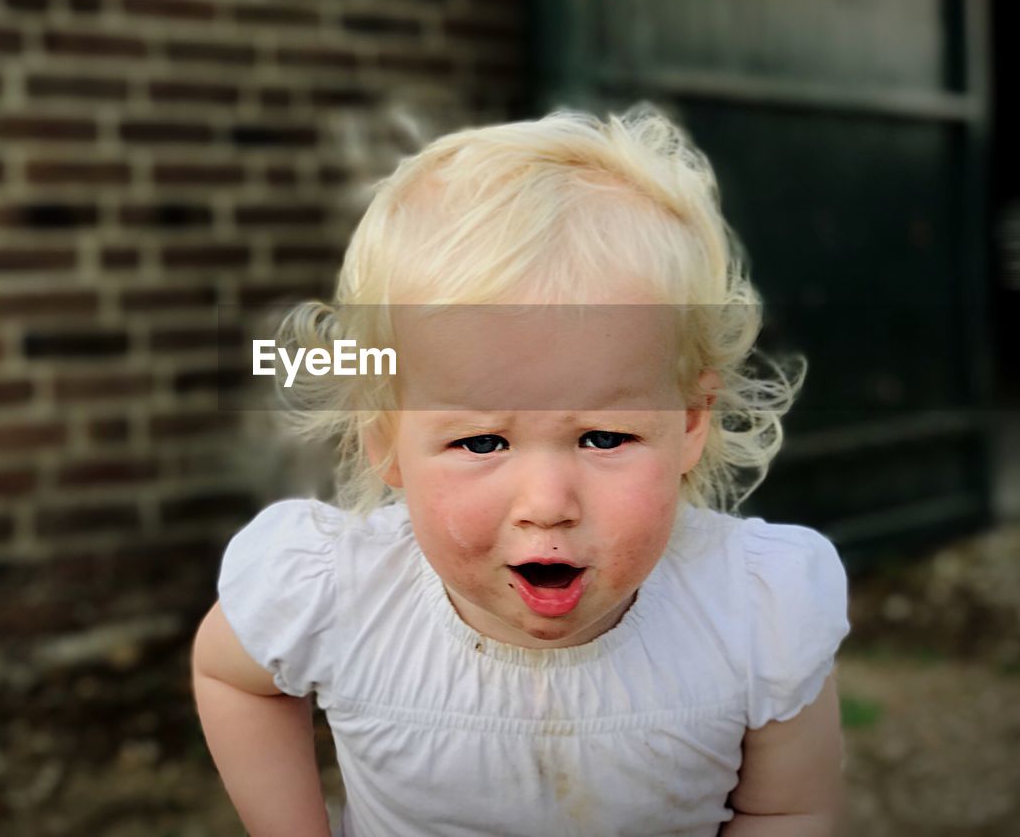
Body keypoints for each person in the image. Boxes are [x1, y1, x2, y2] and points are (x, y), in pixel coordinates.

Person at [190, 106, 850, 836]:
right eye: (480, 444)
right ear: (386, 441)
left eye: (603, 437)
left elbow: (789, 807)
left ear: (690, 422)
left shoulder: (756, 614)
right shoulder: (336, 591)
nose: (547, 504)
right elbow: (234, 677)